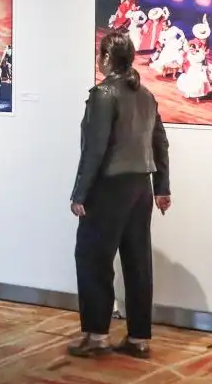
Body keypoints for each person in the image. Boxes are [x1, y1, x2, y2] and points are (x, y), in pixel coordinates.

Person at [69, 35, 171, 359]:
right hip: (140, 188)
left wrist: (79, 193)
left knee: (92, 258)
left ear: (106, 58)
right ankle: (139, 338)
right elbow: (160, 144)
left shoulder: (103, 95)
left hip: (109, 187)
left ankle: (97, 336)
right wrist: (162, 187)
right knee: (138, 261)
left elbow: (95, 149)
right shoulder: (146, 95)